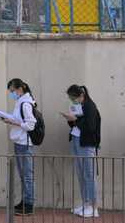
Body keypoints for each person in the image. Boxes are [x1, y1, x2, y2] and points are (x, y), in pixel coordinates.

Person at [61, 85, 101, 218]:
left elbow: (90, 126)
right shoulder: (79, 106)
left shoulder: (90, 106)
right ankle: (86, 203)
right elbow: (77, 124)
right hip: (77, 140)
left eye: (73, 98)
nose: (72, 100)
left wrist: (75, 120)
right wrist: (70, 120)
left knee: (89, 174)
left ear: (81, 95)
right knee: (81, 174)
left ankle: (94, 207)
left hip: (86, 143)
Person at [2, 78, 37, 217]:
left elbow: (30, 125)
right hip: (19, 142)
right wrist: (10, 119)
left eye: (12, 91)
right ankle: (24, 201)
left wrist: (14, 122)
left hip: (25, 143)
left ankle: (29, 204)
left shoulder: (26, 104)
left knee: (27, 176)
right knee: (23, 175)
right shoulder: (20, 102)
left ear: (20, 89)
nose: (12, 94)